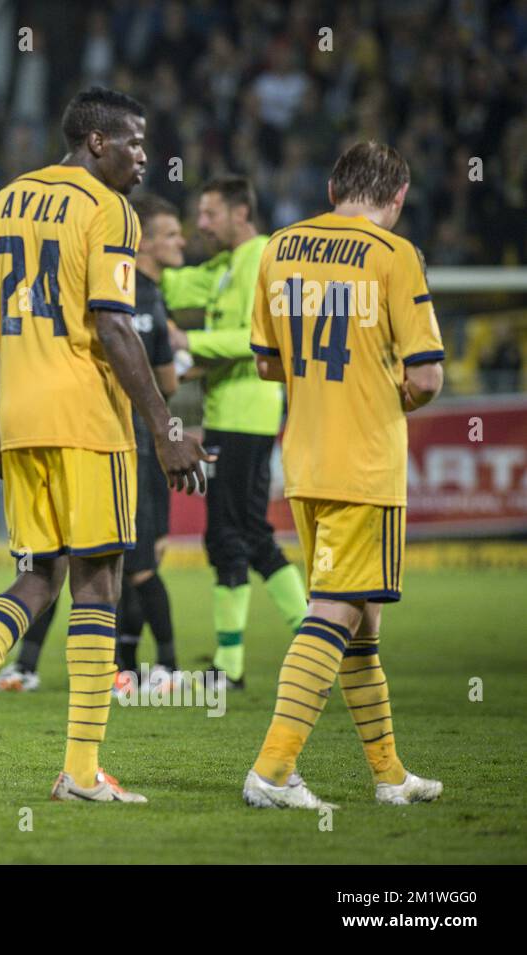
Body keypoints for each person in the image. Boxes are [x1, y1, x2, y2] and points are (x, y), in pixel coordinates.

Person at [0, 88, 211, 801]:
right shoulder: (109, 210)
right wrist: (167, 427)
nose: (146, 157)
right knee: (99, 579)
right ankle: (79, 770)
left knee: (40, 574)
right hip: (84, 417)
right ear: (99, 142)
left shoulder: (4, 203)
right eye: (136, 142)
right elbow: (114, 328)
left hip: (18, 416)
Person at [243, 142, 445, 810]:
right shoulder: (396, 255)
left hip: (303, 459)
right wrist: (383, 386)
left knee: (361, 625)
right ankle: (273, 771)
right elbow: (426, 376)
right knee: (336, 608)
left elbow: (268, 363)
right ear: (397, 198)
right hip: (365, 462)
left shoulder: (278, 248)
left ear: (333, 189)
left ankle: (390, 774)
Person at [0, 193, 186, 696]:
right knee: (112, 568)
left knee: (40, 570)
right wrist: (167, 426)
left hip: (29, 425)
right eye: (171, 233)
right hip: (111, 437)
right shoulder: (121, 265)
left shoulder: (8, 215)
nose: (180, 240)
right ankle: (140, 671)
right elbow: (161, 376)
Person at [162, 176, 308, 689]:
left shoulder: (261, 258)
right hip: (232, 413)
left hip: (246, 415)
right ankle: (310, 643)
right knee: (246, 534)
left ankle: (239, 665)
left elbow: (257, 339)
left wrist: (187, 337)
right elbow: (178, 283)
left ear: (241, 213)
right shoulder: (226, 266)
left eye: (209, 214)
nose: (199, 225)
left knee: (231, 535)